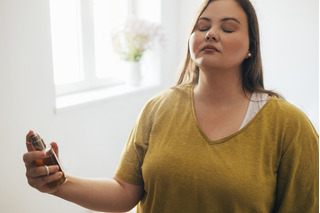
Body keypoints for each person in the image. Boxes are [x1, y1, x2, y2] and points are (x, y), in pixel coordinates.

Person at [23, 0, 319, 212]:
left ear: (251, 46)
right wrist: (59, 183)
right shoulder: (158, 108)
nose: (210, 33)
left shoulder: (289, 126)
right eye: (203, 26)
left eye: (228, 28)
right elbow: (125, 191)